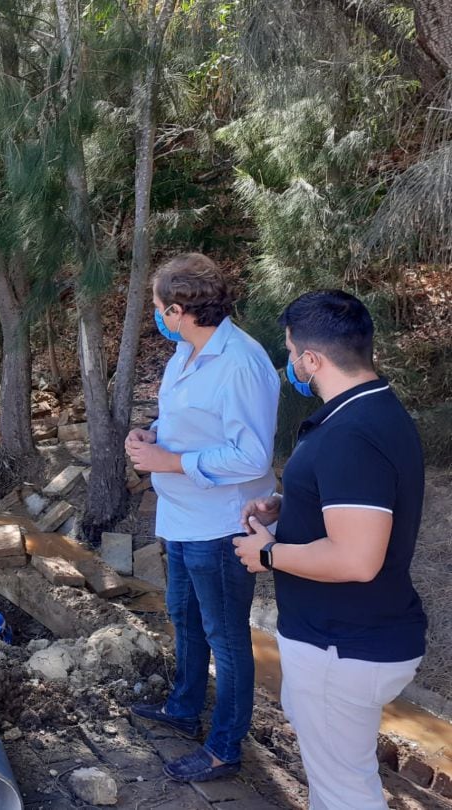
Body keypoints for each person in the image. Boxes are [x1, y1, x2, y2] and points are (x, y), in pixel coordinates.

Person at [234, 290, 426, 810]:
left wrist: (268, 554)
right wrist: (290, 504)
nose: (289, 363)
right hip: (346, 639)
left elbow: (355, 558)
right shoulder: (371, 410)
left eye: (291, 351)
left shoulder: (351, 433)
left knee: (345, 793)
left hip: (342, 645)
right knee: (337, 781)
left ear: (312, 360)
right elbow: (357, 507)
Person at [125, 253, 280, 783]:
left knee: (227, 636)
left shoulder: (242, 362)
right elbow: (188, 423)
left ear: (177, 310)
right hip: (182, 517)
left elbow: (252, 456)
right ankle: (184, 708)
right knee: (185, 618)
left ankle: (224, 748)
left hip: (222, 524)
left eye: (157, 310)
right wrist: (151, 436)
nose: (156, 318)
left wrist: (170, 461)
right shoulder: (187, 353)